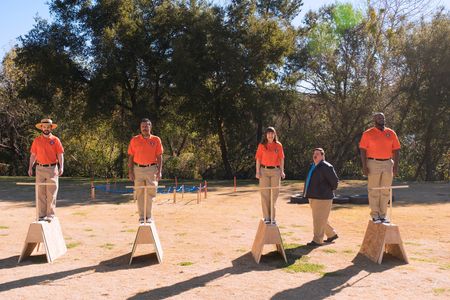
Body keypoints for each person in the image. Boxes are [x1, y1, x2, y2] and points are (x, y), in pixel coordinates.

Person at [359, 112, 400, 224]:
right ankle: (375, 215)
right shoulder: (368, 133)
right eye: (378, 117)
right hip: (373, 162)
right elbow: (362, 150)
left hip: (387, 163)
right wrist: (364, 166)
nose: (381, 119)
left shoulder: (391, 133)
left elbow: (396, 150)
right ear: (374, 120)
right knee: (374, 190)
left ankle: (383, 215)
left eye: (382, 117)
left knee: (385, 190)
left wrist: (395, 167)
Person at [28, 118, 64, 222]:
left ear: (51, 128)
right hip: (39, 169)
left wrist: (61, 167)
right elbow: (33, 155)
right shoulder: (37, 140)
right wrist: (30, 167)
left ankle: (50, 215)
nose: (46, 129)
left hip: (52, 169)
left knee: (51, 193)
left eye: (48, 127)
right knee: (40, 193)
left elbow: (60, 154)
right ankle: (41, 215)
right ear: (41, 128)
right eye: (44, 127)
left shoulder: (56, 140)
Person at [128, 118, 163, 223]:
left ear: (150, 127)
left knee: (150, 192)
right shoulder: (134, 140)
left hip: (151, 169)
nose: (145, 128)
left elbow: (160, 156)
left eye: (147, 126)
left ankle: (148, 217)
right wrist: (130, 172)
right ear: (140, 128)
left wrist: (159, 171)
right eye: (143, 126)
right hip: (137, 169)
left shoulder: (156, 140)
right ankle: (141, 217)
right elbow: (130, 157)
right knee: (139, 193)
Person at [303, 148, 339, 247]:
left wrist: (325, 191)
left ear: (323, 156)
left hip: (323, 198)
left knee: (318, 219)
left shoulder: (326, 166)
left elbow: (335, 182)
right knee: (321, 218)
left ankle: (317, 240)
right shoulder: (313, 165)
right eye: (314, 153)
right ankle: (332, 234)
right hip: (313, 196)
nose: (315, 155)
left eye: (318, 154)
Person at [255, 127, 285, 225]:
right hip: (264, 171)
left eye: (272, 134)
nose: (270, 135)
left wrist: (282, 171)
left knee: (274, 196)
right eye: (268, 134)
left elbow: (281, 159)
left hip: (276, 171)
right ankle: (267, 217)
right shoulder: (261, 145)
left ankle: (272, 218)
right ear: (266, 135)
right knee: (265, 195)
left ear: (275, 135)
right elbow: (258, 159)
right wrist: (257, 172)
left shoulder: (278, 145)